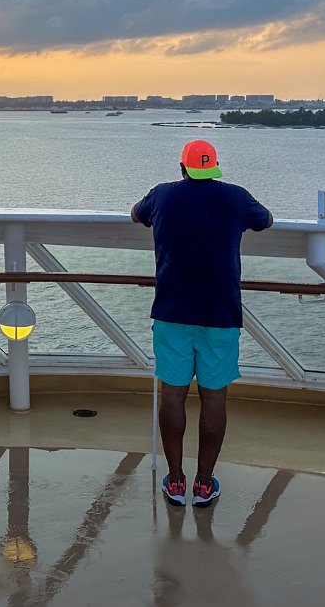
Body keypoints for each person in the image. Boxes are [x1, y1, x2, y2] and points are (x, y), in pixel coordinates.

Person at [131, 139, 272, 508]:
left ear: (182, 168)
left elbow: (135, 214)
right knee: (214, 397)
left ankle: (176, 480)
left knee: (172, 396)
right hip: (220, 314)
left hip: (171, 312)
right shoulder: (235, 197)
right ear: (214, 167)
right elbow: (266, 220)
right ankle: (204, 483)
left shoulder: (162, 195)